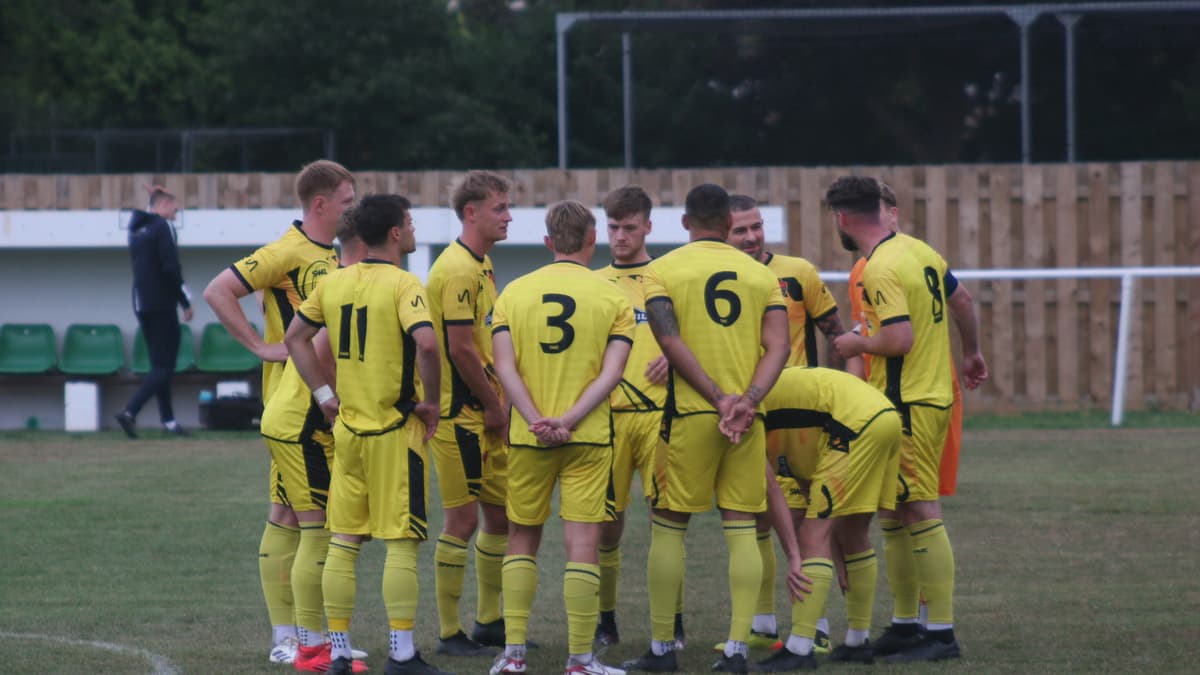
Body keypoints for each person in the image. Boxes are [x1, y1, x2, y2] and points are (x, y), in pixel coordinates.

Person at [622, 184, 790, 674]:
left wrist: (717, 397)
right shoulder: (760, 275)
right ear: (727, 221)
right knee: (741, 530)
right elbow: (778, 347)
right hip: (746, 420)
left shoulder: (661, 271)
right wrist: (747, 401)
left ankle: (661, 651)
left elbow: (668, 341)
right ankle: (737, 651)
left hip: (690, 415)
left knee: (670, 528)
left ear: (685, 222)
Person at [285, 194, 448, 675]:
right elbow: (427, 344)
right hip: (394, 430)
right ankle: (400, 653)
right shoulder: (405, 284)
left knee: (344, 542)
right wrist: (432, 401)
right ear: (395, 233)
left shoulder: (334, 283)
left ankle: (337, 652)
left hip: (348, 430)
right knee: (401, 542)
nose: (414, 230)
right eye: (411, 223)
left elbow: (295, 338)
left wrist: (322, 394)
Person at [203, 159, 355, 664]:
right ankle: (294, 639)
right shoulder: (287, 251)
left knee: (289, 512)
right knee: (311, 519)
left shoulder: (333, 255)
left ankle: (290, 636)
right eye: (346, 202)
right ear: (320, 204)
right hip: (295, 406)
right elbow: (217, 290)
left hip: (316, 402)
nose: (350, 210)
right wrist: (260, 346)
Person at [828, 175, 973, 662]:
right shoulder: (919, 251)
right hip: (928, 395)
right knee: (893, 511)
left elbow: (898, 340)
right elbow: (964, 302)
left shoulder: (880, 267)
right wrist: (971, 353)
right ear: (880, 210)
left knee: (919, 510)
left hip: (907, 400)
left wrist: (855, 344)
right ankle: (906, 624)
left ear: (844, 219)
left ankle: (941, 633)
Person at [488, 199, 634, 675]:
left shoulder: (512, 293)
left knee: (522, 537)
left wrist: (535, 418)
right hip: (588, 438)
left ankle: (513, 657)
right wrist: (569, 419)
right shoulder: (613, 298)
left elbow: (504, 368)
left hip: (529, 437)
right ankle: (579, 659)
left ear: (549, 242)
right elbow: (611, 375)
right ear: (593, 241)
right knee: (583, 543)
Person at [719, 194, 853, 656]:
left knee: (800, 524)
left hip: (798, 417)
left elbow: (839, 337)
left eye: (756, 227)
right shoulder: (715, 280)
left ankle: (812, 628)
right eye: (741, 230)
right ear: (722, 231)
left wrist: (846, 400)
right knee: (754, 516)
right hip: (746, 414)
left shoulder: (798, 273)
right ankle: (762, 623)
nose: (752, 236)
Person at [258, 212, 369, 672]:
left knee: (288, 517)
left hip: (292, 418)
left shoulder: (341, 279)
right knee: (317, 529)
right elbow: (317, 348)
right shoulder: (345, 284)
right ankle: (304, 644)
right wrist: (330, 398)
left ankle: (299, 638)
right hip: (302, 423)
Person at [752, 365, 903, 670]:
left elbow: (772, 494)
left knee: (811, 534)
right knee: (853, 532)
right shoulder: (774, 407)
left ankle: (799, 648)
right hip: (883, 416)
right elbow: (813, 494)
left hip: (854, 422)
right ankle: (857, 642)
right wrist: (836, 557)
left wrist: (795, 555)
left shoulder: (741, 410)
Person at [592, 186, 685, 652]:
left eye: (630, 227)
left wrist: (677, 357)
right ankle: (605, 619)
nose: (621, 235)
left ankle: (673, 620)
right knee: (606, 525)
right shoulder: (594, 282)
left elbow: (697, 335)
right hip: (608, 421)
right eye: (613, 227)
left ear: (648, 226)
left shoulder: (668, 276)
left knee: (666, 520)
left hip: (661, 417)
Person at [425, 170, 514, 656]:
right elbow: (460, 349)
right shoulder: (457, 269)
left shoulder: (480, 264)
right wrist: (494, 406)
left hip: (484, 413)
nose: (509, 216)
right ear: (471, 212)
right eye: (500, 207)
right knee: (460, 522)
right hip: (461, 415)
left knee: (499, 518)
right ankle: (448, 632)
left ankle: (489, 623)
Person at [115, 185, 193, 438]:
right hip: (161, 304)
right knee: (164, 366)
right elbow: (171, 268)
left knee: (159, 365)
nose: (176, 210)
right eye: (173, 205)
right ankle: (129, 411)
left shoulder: (136, 228)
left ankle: (168, 421)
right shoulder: (161, 228)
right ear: (162, 206)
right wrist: (184, 301)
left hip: (140, 303)